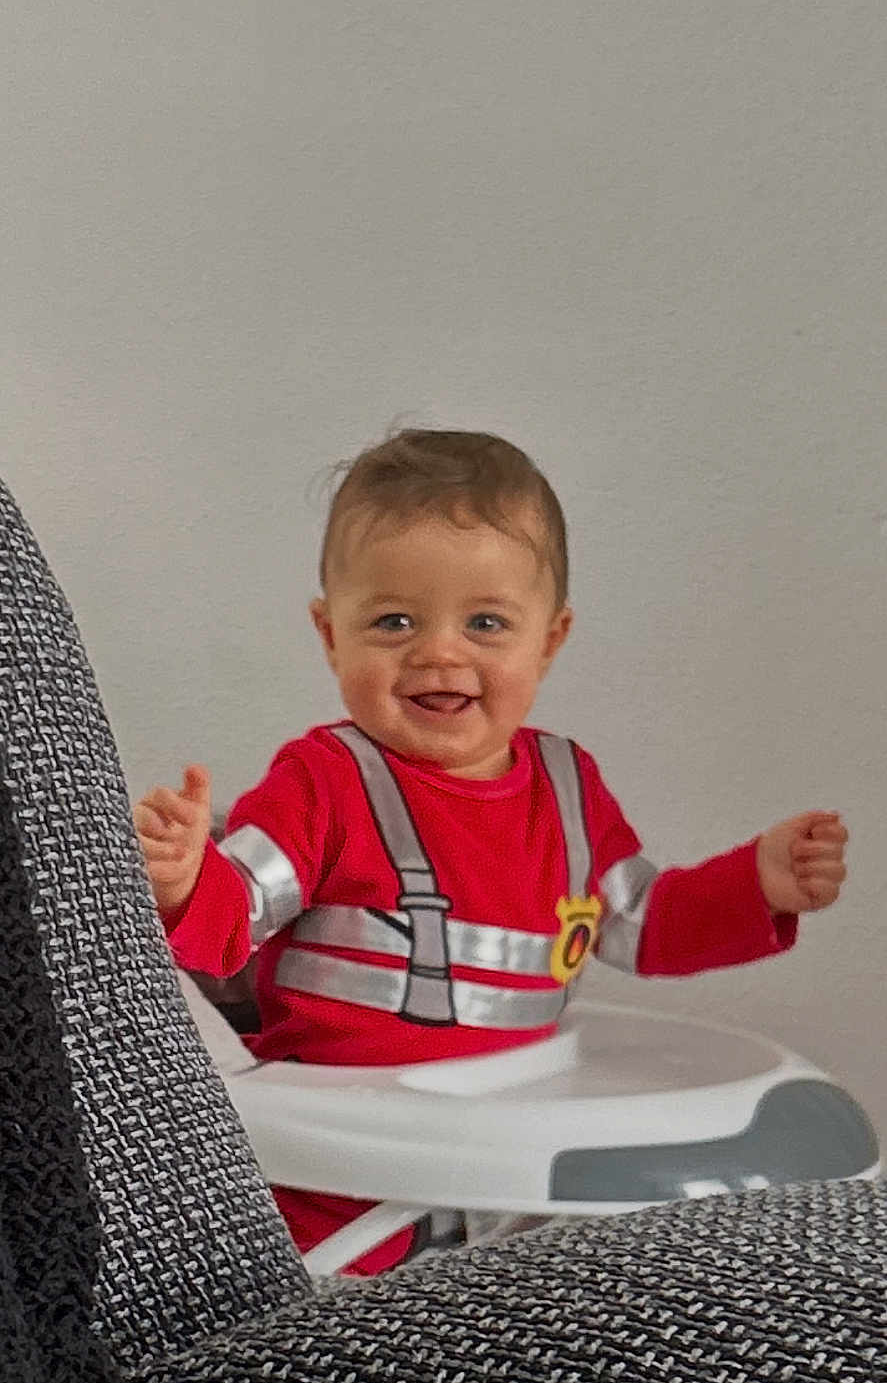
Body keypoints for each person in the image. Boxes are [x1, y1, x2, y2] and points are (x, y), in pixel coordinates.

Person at [134, 428, 848, 1275]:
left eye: (485, 622)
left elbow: (642, 925)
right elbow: (238, 912)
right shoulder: (323, 780)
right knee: (323, 1327)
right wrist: (184, 881)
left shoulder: (569, 788)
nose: (439, 651)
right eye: (393, 620)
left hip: (513, 1147)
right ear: (331, 636)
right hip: (346, 1168)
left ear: (548, 638)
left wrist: (754, 886)